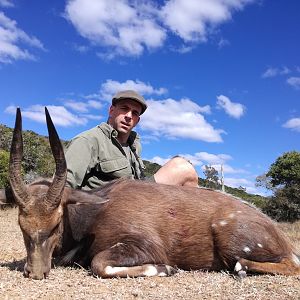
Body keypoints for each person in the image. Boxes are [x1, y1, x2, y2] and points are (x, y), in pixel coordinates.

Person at [65, 90, 199, 190]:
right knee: (181, 167)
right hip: (106, 212)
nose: (129, 116)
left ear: (137, 120)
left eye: (135, 113)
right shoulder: (88, 140)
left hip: (136, 198)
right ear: (111, 111)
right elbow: (63, 188)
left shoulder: (134, 145)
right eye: (124, 109)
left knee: (184, 169)